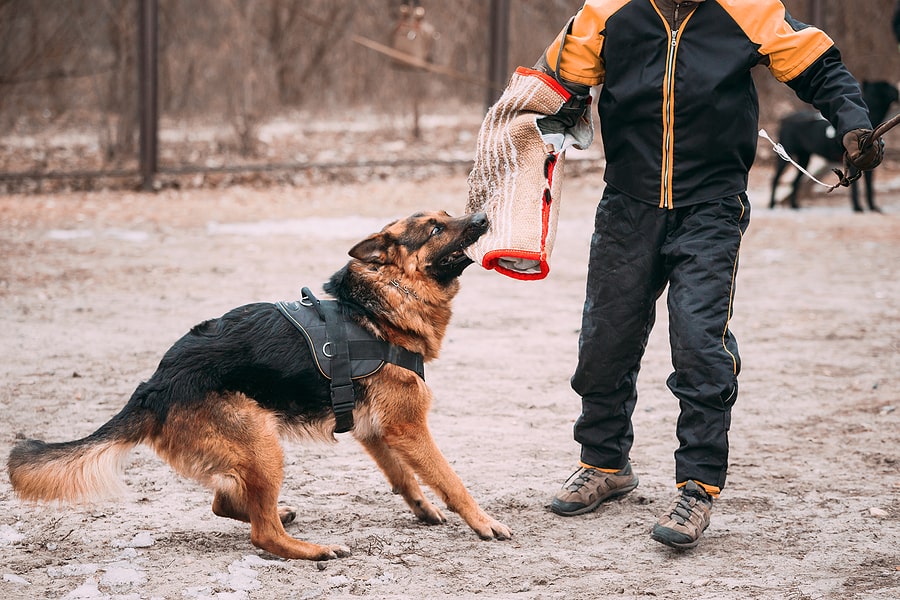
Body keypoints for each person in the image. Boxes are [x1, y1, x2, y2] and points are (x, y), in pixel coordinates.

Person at [512, 0, 883, 549]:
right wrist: (524, 127)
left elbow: (819, 66)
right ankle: (604, 463)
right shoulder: (608, 10)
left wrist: (854, 123)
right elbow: (556, 81)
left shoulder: (748, 9)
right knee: (605, 339)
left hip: (712, 205)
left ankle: (697, 486)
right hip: (628, 203)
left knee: (699, 344)